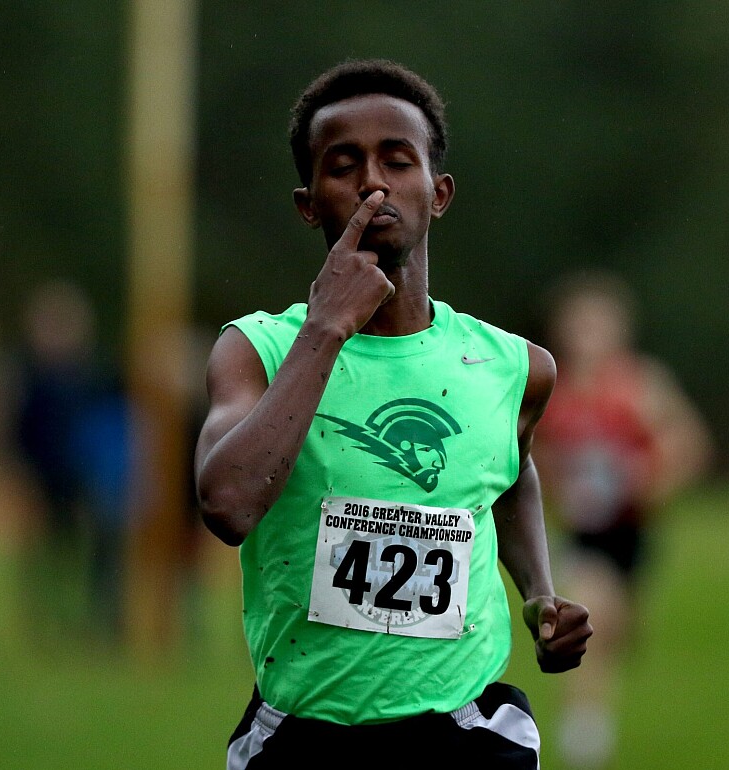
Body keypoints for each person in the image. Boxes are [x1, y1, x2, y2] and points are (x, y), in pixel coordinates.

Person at [193, 59, 592, 769]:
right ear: (308, 203)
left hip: (465, 731)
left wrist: (539, 593)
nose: (372, 183)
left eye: (397, 161)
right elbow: (228, 505)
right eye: (343, 166)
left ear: (438, 193)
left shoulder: (512, 367)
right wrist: (326, 329)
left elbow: (509, 469)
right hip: (305, 735)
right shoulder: (258, 350)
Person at [534, 270, 714, 769]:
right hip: (582, 535)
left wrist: (649, 480)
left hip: (633, 532)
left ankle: (593, 714)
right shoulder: (551, 388)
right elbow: (533, 458)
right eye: (578, 325)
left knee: (616, 631)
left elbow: (689, 445)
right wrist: (559, 494)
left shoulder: (641, 386)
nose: (588, 337)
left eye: (598, 325)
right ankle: (584, 735)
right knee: (588, 614)